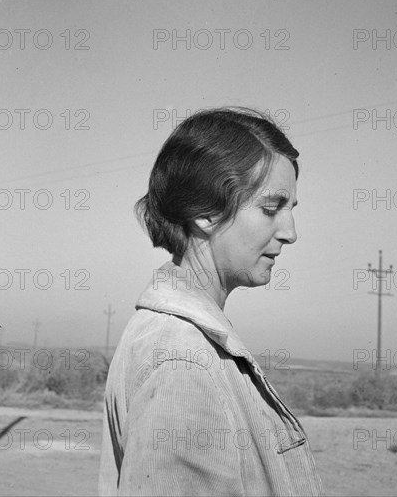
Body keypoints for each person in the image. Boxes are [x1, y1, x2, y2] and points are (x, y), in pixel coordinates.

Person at [98, 107, 325, 496]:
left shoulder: (183, 342)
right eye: (272, 208)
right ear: (205, 211)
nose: (290, 232)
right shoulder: (181, 360)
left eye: (291, 210)